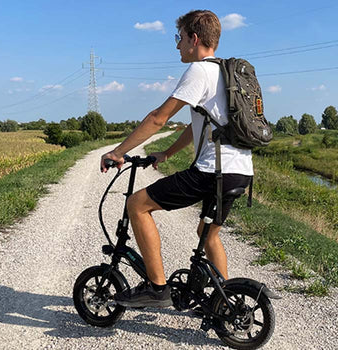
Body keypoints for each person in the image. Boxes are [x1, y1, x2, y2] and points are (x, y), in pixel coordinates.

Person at [100, 10, 253, 308]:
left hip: (213, 172)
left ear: (194, 39)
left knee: (137, 205)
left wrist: (117, 152)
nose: (177, 46)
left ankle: (157, 288)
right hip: (240, 171)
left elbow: (159, 118)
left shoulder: (200, 71)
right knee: (207, 235)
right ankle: (223, 305)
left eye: (179, 38)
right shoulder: (225, 74)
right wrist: (167, 153)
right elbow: (199, 125)